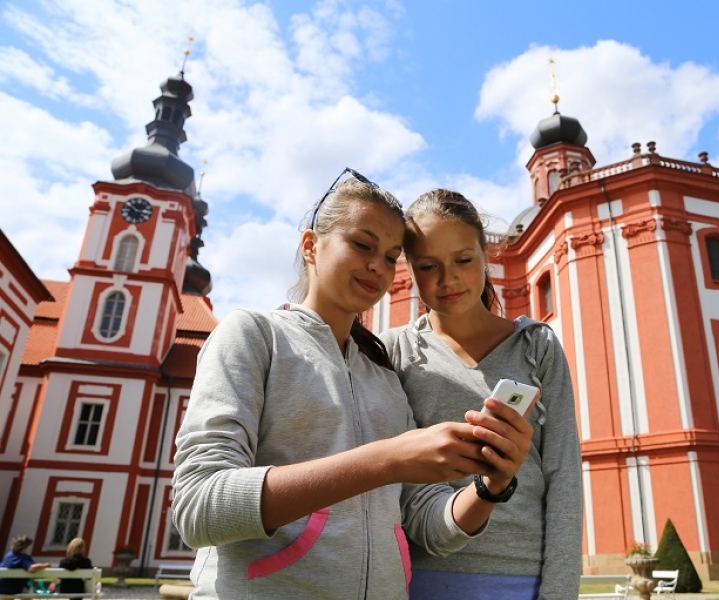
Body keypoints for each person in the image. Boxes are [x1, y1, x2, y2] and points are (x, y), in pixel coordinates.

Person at [172, 170, 534, 600]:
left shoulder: (385, 375)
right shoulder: (252, 335)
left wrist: (490, 487)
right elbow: (198, 507)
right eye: (362, 245)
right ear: (311, 246)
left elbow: (425, 522)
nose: (378, 268)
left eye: (391, 256)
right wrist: (386, 460)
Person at [379, 189, 583, 600]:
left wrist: (559, 591)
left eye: (463, 261)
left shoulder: (536, 345)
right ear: (411, 271)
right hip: (418, 576)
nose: (447, 278)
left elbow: (563, 474)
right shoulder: (393, 351)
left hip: (521, 576)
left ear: (485, 256)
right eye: (428, 266)